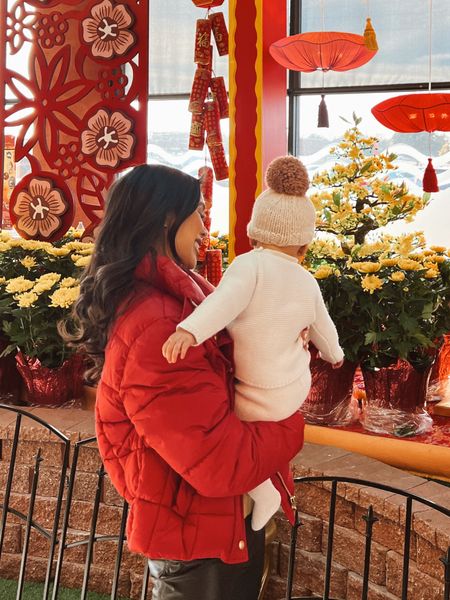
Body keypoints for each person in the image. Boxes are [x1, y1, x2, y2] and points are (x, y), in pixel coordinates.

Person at [65, 164, 305, 600]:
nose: (204, 225)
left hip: (207, 528)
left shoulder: (177, 302)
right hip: (200, 544)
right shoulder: (160, 324)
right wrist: (290, 415)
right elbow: (220, 463)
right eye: (197, 210)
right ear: (165, 219)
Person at [163, 156, 344, 532]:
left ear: (255, 231)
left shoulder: (248, 265)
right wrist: (336, 355)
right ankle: (269, 486)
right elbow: (325, 331)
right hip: (292, 390)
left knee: (230, 443)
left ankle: (264, 492)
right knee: (260, 443)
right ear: (303, 244)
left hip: (254, 391)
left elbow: (221, 305)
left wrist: (189, 331)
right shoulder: (307, 280)